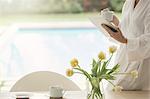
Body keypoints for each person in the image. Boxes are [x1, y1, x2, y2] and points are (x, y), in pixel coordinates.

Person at [102, 0, 150, 90]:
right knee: (112, 89)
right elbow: (128, 30)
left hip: (142, 61)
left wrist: (125, 40)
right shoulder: (129, 2)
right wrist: (114, 21)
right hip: (123, 58)